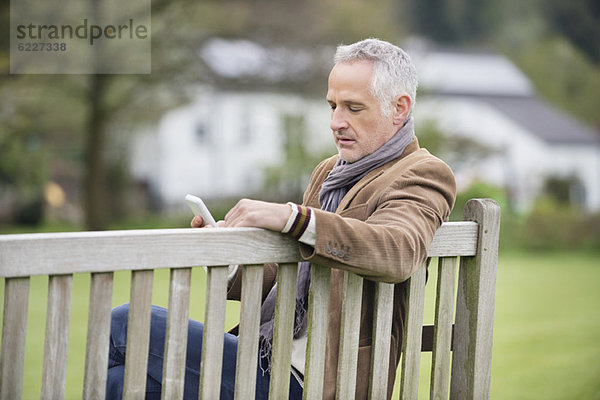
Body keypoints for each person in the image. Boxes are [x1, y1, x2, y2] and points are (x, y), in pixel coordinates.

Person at [106, 38, 456, 400]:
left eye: (353, 108)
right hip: (267, 359)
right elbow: (295, 279)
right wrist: (231, 255)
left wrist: (292, 216)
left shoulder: (423, 173)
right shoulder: (330, 172)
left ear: (399, 108)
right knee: (122, 382)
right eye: (333, 106)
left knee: (128, 322)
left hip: (319, 383)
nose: (336, 122)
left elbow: (398, 252)